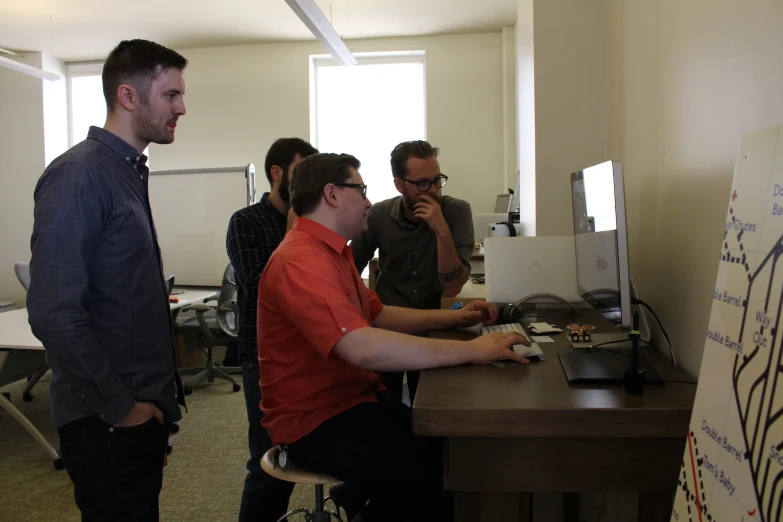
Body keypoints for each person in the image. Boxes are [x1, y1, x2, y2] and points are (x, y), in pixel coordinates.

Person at [257, 152, 529, 522]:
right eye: (362, 190)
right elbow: (362, 348)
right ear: (332, 194)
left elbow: (379, 314)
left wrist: (454, 319)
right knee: (436, 481)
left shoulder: (332, 252)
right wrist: (471, 351)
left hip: (351, 402)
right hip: (316, 421)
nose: (369, 202)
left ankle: (356, 497)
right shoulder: (300, 260)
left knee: (451, 450)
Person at [26, 40, 188, 521]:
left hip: (136, 417)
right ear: (129, 96)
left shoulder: (125, 170)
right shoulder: (79, 175)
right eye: (171, 94)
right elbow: (54, 313)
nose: (182, 107)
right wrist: (123, 410)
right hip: (107, 422)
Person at [226, 137, 318, 522]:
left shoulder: (313, 220)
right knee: (270, 463)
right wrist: (294, 233)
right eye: (300, 173)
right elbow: (263, 286)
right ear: (276, 173)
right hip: (264, 360)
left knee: (308, 452)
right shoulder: (245, 222)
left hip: (310, 354)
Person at [352, 140, 474, 404]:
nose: (432, 191)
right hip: (389, 324)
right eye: (421, 184)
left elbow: (453, 288)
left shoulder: (456, 212)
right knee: (384, 407)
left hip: (437, 325)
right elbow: (348, 270)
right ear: (399, 184)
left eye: (436, 180)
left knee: (432, 403)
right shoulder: (379, 215)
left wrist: (441, 231)